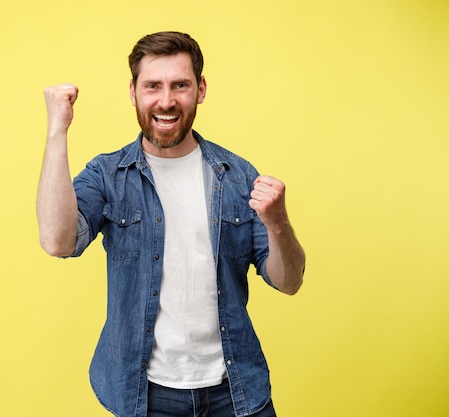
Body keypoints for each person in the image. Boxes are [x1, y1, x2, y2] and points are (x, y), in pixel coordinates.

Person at [37, 31, 305, 417]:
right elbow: (57, 240)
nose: (166, 101)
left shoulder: (239, 176)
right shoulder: (108, 175)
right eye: (152, 86)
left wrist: (277, 223)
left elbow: (290, 281)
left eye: (180, 85)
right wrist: (56, 129)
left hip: (236, 391)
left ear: (200, 89)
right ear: (133, 91)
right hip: (145, 396)